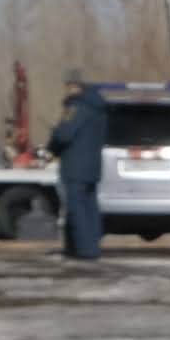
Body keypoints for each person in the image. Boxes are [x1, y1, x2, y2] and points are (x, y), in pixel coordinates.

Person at [50, 84, 107, 262]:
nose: (67, 91)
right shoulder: (100, 108)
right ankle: (92, 247)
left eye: (69, 87)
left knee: (77, 209)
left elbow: (64, 135)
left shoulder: (76, 107)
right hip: (93, 167)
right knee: (90, 209)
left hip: (75, 167)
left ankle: (83, 249)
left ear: (77, 88)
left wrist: (53, 140)